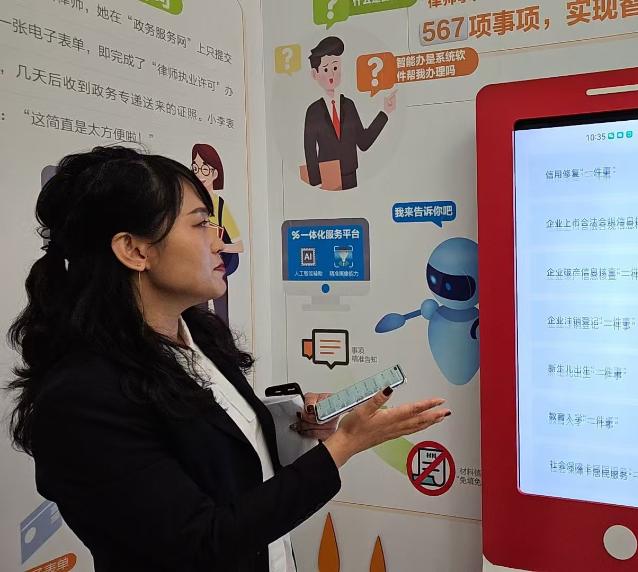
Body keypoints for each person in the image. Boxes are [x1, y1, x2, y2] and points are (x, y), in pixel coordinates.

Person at [5, 146, 450, 572]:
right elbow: (202, 544)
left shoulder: (196, 336)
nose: (220, 242)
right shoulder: (82, 397)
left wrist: (294, 426)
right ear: (135, 250)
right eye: (201, 224)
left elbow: (223, 462)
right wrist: (344, 446)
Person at [302, 35, 396, 190]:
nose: (331, 74)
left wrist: (385, 112)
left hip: (350, 174)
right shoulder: (313, 111)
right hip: (327, 175)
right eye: (325, 69)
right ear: (315, 74)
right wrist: (315, 181)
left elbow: (363, 142)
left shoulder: (349, 105)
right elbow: (309, 149)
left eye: (335, 68)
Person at [191, 143, 241, 326]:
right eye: (195, 168)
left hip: (218, 270)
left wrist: (220, 245)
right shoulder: (188, 204)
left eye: (205, 169)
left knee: (221, 318)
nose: (199, 174)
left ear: (215, 174)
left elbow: (239, 245)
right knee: (199, 320)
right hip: (196, 270)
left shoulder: (220, 206)